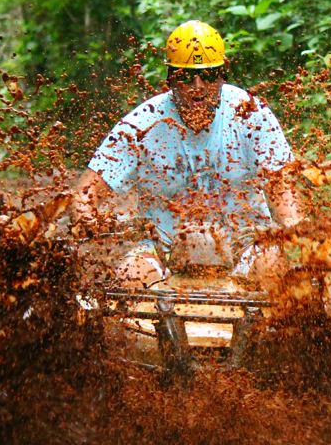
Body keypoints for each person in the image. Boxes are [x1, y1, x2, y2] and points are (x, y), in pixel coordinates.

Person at [73, 20, 302, 289]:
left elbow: (283, 189)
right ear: (170, 78)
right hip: (163, 252)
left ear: (222, 74)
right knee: (129, 277)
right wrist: (86, 218)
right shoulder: (141, 125)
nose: (197, 87)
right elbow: (85, 192)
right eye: (185, 76)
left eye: (207, 75)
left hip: (245, 244)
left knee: (273, 265)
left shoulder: (251, 114)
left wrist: (295, 227)